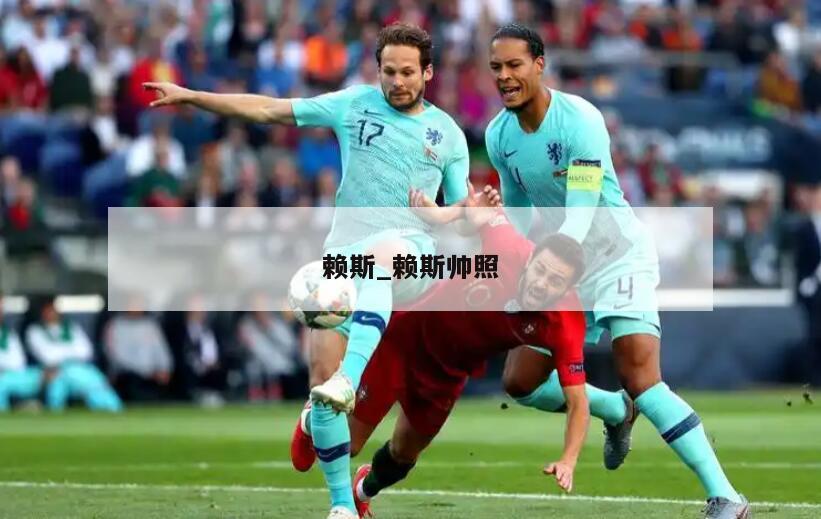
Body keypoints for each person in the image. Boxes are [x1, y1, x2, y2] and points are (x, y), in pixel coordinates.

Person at [144, 23, 470, 519]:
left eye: (407, 72)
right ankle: (342, 505)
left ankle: (350, 379)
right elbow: (269, 109)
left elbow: (461, 209)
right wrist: (192, 96)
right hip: (343, 258)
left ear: (427, 72)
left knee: (382, 259)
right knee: (321, 383)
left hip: (410, 255)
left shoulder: (447, 133)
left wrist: (443, 212)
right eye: (388, 71)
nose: (397, 81)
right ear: (377, 70)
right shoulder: (353, 104)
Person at [483, 24, 748, 518]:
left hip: (615, 256)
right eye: (496, 67)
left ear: (539, 65)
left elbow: (583, 205)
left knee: (640, 375)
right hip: (560, 266)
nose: (504, 76)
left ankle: (726, 497)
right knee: (520, 382)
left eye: (514, 65)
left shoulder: (580, 119)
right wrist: (515, 262)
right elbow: (517, 208)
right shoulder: (498, 134)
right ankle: (613, 409)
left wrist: (550, 263)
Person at [291, 184, 589, 517]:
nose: (542, 283)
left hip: (447, 374)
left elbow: (578, 402)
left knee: (403, 457)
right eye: (541, 270)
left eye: (555, 281)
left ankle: (362, 491)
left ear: (568, 288)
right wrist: (454, 210)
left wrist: (568, 460)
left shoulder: (565, 320)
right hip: (403, 341)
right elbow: (474, 215)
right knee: (350, 443)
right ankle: (313, 421)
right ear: (530, 259)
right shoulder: (507, 246)